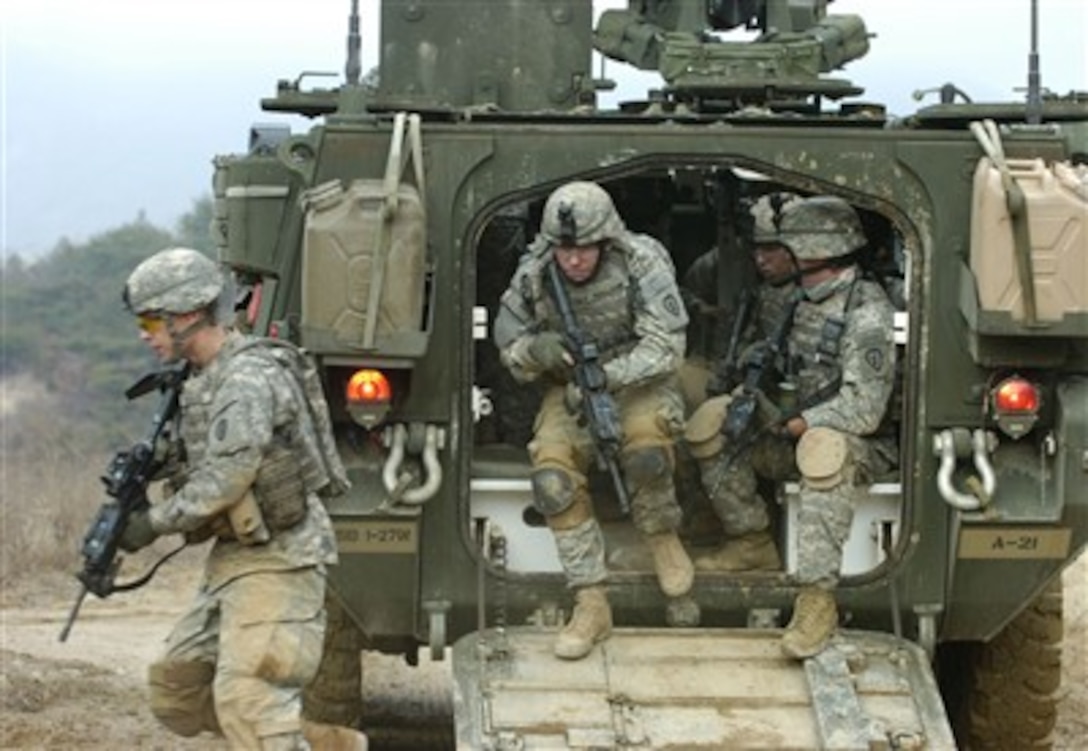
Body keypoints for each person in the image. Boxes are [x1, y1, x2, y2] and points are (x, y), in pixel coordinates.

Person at [118, 247, 367, 750]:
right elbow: (195, 457)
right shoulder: (197, 381)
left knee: (247, 702)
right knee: (178, 694)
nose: (145, 333)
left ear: (187, 315)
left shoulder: (248, 378)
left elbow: (225, 481)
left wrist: (153, 522)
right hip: (233, 560)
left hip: (281, 559)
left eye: (152, 320)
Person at [685, 196, 896, 659]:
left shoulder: (866, 313)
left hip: (855, 445)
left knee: (823, 448)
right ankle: (750, 541)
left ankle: (816, 601)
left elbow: (864, 410)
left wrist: (802, 423)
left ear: (821, 253)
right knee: (713, 420)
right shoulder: (800, 299)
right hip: (792, 430)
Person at [493, 181, 694, 660]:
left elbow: (667, 347)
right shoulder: (535, 275)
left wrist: (607, 376)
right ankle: (590, 600)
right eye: (564, 250)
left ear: (605, 241)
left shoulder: (641, 261)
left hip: (639, 380)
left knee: (647, 456)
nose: (574, 261)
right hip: (570, 391)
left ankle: (661, 536)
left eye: (584, 249)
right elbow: (507, 345)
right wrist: (533, 351)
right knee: (552, 481)